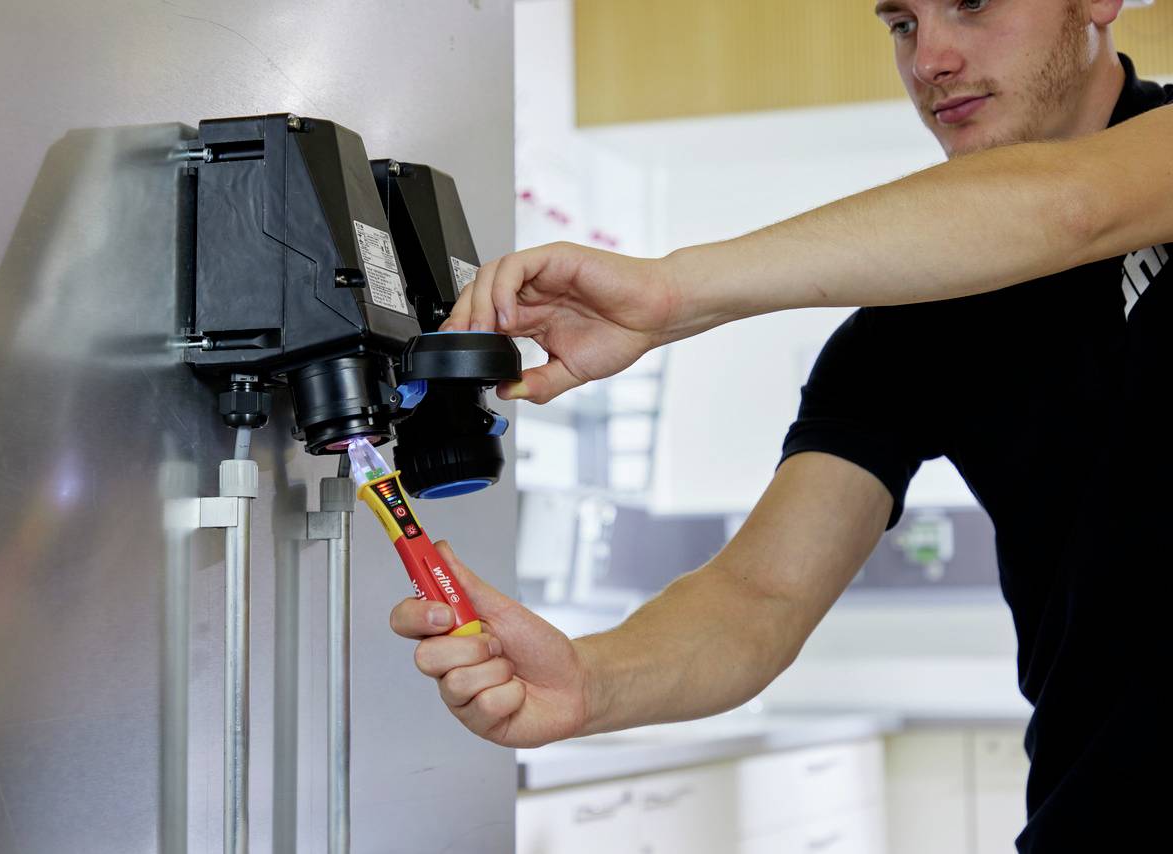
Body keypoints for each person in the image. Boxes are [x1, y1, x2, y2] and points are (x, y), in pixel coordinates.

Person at [390, 1, 1172, 849]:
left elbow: (1068, 209)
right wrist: (588, 678)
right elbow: (758, 596)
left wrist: (670, 292)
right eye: (900, 22)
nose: (930, 59)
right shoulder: (912, 324)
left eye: (972, 2)